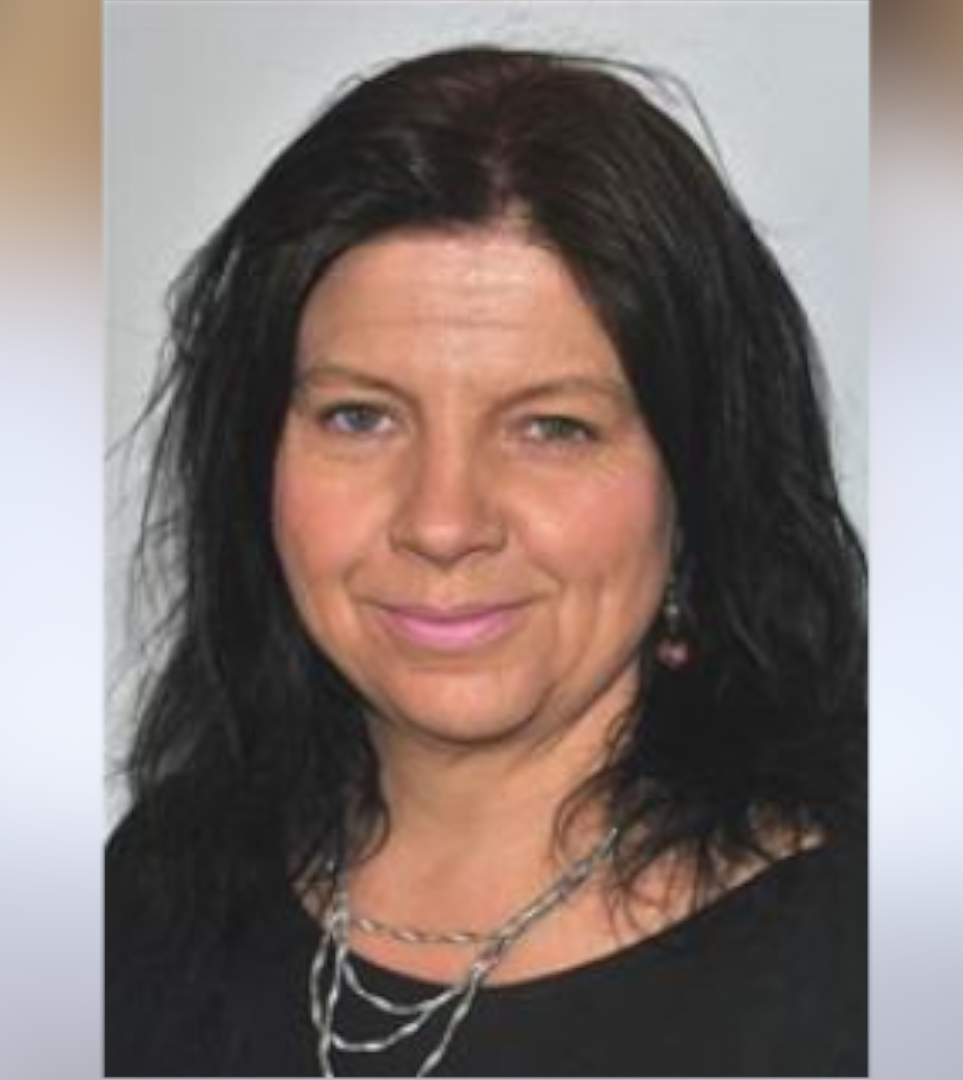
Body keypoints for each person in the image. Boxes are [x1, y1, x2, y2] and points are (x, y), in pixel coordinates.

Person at [106, 46, 867, 1077]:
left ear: (697, 484)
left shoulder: (864, 971)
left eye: (551, 427)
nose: (444, 519)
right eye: (360, 416)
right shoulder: (154, 894)